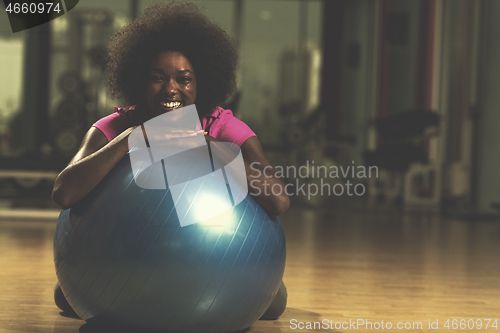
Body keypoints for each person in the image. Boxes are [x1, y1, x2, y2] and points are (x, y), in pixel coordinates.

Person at [51, 2, 289, 321]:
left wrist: (209, 146)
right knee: (66, 297)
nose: (171, 89)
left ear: (200, 82)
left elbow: (278, 200)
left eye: (184, 78)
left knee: (272, 303)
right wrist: (132, 138)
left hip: (219, 267)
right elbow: (64, 193)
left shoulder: (222, 127)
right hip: (125, 261)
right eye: (158, 77)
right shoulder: (116, 127)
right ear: (139, 79)